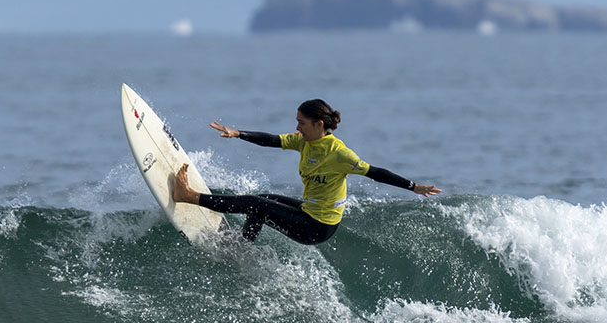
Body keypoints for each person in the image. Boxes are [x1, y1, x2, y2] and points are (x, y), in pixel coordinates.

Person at [171, 98, 440, 244]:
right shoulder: (304, 141)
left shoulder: (339, 154)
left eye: (301, 122)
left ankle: (188, 196)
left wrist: (413, 186)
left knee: (256, 203)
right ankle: (241, 248)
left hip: (317, 227)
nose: (297, 127)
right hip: (309, 212)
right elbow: (272, 140)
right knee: (263, 200)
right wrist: (238, 133)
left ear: (319, 124)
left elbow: (375, 172)